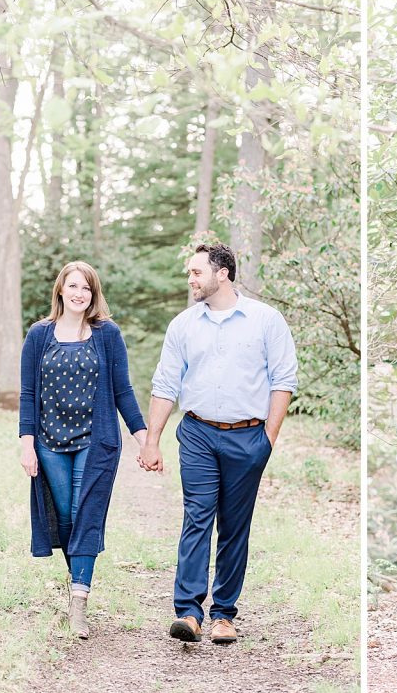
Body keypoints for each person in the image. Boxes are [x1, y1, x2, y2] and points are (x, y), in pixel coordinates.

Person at [140, 243, 298, 645]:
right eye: (189, 273)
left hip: (249, 436)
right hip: (197, 433)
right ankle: (188, 612)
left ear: (222, 273)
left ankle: (224, 615)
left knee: (234, 527)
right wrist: (152, 440)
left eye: (196, 272)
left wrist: (268, 439)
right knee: (197, 517)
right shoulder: (183, 325)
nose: (190, 279)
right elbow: (165, 385)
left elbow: (283, 380)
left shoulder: (266, 320)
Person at [19, 261, 148, 639]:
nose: (79, 293)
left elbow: (123, 391)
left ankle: (79, 602)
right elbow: (28, 394)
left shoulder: (106, 335)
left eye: (86, 288)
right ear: (61, 290)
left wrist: (144, 438)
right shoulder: (39, 335)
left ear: (94, 295)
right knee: (65, 517)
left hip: (96, 440)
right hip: (49, 442)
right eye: (73, 286)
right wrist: (27, 444)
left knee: (85, 512)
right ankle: (77, 579)